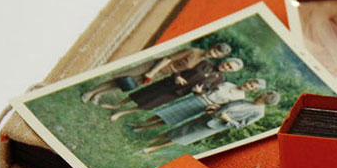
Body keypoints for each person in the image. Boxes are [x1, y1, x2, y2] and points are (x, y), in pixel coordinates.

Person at [80, 43, 232, 104]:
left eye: (217, 55)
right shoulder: (193, 51)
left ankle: (99, 94)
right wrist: (152, 72)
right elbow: (168, 58)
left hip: (161, 74)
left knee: (126, 85)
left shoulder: (202, 61)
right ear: (212, 47)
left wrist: (178, 76)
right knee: (122, 78)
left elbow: (180, 70)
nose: (213, 54)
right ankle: (90, 92)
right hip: (153, 67)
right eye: (214, 50)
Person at [141, 91, 281, 154]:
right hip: (208, 116)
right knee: (179, 129)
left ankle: (151, 149)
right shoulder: (245, 100)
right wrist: (215, 108)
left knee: (183, 136)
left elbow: (240, 126)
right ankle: (150, 140)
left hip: (213, 126)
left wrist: (228, 120)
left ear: (265, 102)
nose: (258, 97)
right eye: (260, 95)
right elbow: (225, 107)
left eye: (261, 97)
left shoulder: (258, 113)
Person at [108, 58, 245, 118]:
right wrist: (177, 76)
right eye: (227, 64)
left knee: (150, 103)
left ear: (231, 71)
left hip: (179, 92)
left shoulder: (220, 79)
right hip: (170, 83)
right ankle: (117, 105)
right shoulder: (204, 63)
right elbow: (180, 67)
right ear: (225, 61)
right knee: (143, 94)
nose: (226, 67)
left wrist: (199, 92)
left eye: (230, 68)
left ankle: (121, 114)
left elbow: (207, 91)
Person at [128, 77, 266, 131]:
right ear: (247, 80)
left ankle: (143, 129)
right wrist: (199, 92)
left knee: (171, 119)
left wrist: (215, 108)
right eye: (250, 83)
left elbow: (224, 108)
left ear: (253, 90)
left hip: (204, 108)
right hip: (197, 99)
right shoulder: (228, 83)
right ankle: (140, 124)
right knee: (165, 112)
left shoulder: (241, 98)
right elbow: (208, 90)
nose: (248, 85)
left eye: (252, 87)